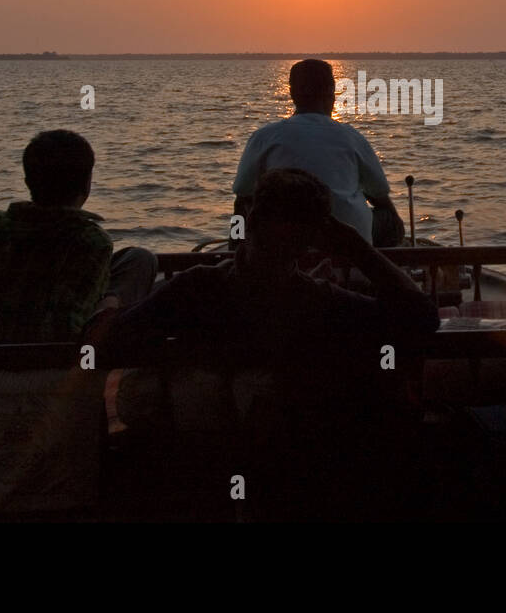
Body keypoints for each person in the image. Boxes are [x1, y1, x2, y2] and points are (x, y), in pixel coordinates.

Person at [102, 167, 437, 519]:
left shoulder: (194, 290)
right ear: (315, 238)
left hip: (200, 473)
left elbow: (115, 340)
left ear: (250, 219)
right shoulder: (322, 305)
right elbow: (422, 318)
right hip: (296, 475)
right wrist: (357, 247)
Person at [0, 129, 158, 345]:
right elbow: (69, 328)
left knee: (134, 258)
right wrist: (107, 304)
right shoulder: (89, 240)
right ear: (87, 184)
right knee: (140, 261)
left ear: (27, 179)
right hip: (51, 366)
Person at [233, 59, 404, 246]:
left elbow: (243, 190)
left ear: (292, 93)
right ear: (332, 92)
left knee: (241, 205)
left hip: (285, 242)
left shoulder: (265, 136)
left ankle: (236, 252)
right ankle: (383, 266)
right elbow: (379, 192)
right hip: (348, 244)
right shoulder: (351, 137)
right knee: (388, 216)